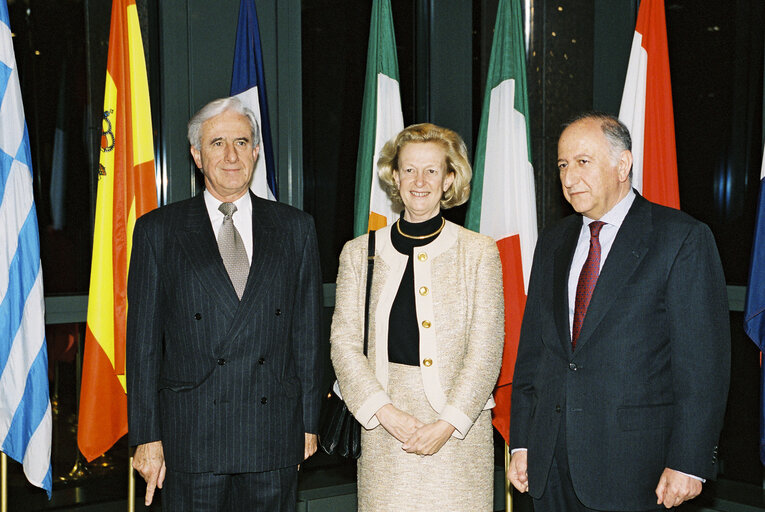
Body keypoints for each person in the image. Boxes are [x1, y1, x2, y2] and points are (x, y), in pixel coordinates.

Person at [507, 112, 730, 511]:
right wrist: (522, 440)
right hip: (549, 464)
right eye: (562, 165)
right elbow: (534, 354)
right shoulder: (554, 241)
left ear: (623, 164)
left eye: (582, 162)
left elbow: (703, 365)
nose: (569, 178)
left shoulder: (680, 238)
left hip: (635, 468)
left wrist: (688, 462)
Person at [126, 96, 323, 511]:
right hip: (192, 436)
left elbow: (307, 334)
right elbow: (142, 345)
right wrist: (146, 435)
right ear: (197, 155)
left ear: (256, 151)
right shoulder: (158, 231)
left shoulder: (295, 228)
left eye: (241, 142)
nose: (231, 155)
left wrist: (308, 423)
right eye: (217, 143)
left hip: (271, 432)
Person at [330, 123, 505, 511]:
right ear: (394, 176)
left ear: (449, 179)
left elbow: (487, 350)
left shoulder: (478, 252)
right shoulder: (359, 253)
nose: (420, 181)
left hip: (459, 436)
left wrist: (446, 424)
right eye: (409, 169)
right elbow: (343, 345)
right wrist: (384, 413)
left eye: (432, 170)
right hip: (384, 433)